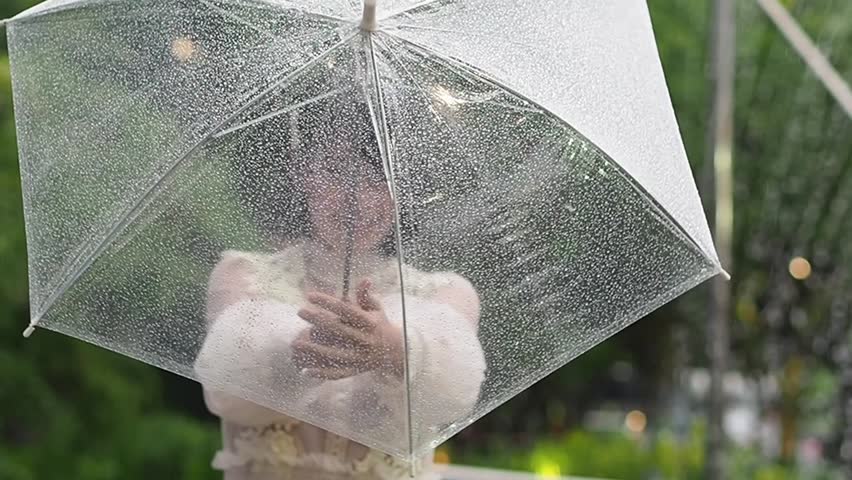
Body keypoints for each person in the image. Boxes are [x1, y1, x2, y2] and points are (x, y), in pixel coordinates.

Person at [193, 95, 486, 479]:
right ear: (302, 174)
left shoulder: (446, 295)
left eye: (378, 178)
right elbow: (225, 395)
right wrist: (294, 352)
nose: (356, 199)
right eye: (335, 171)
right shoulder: (243, 276)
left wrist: (394, 350)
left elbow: (451, 400)